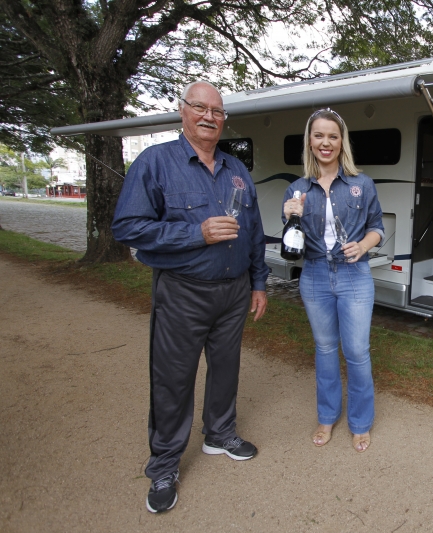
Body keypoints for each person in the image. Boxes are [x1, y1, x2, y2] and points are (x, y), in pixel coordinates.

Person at [112, 80, 269, 513]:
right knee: (173, 378)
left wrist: (258, 283)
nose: (209, 117)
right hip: (182, 292)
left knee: (226, 368)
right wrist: (195, 233)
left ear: (223, 120)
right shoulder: (155, 163)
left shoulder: (237, 169)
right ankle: (164, 464)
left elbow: (253, 233)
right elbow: (127, 227)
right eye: (200, 108)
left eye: (217, 112)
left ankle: (220, 433)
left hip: (234, 292)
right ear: (182, 111)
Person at [282, 108, 384, 453]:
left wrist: (364, 245)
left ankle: (360, 423)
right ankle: (326, 417)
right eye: (318, 135)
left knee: (356, 352)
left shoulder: (361, 184)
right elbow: (290, 244)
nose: (325, 143)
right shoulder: (296, 189)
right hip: (313, 275)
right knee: (325, 350)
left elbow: (378, 229)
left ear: (342, 143)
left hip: (355, 274)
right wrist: (289, 217)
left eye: (333, 136)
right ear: (309, 142)